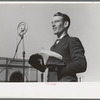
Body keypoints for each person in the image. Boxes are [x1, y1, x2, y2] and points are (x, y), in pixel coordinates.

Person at [28, 12, 87, 82]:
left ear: (66, 24)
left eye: (56, 21)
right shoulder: (53, 47)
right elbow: (50, 68)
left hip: (66, 84)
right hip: (53, 84)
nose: (53, 25)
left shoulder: (72, 41)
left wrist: (59, 68)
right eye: (52, 22)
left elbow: (81, 64)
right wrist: (38, 64)